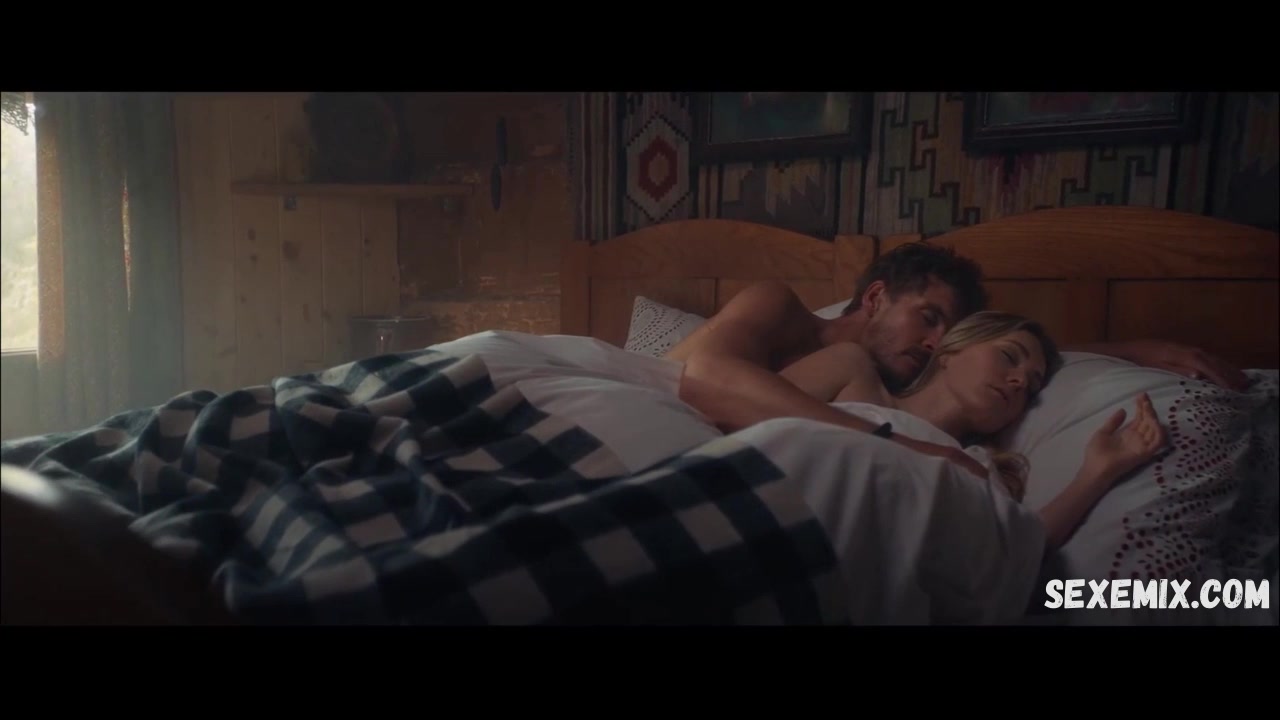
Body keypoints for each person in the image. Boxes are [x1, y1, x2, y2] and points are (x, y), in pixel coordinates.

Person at [665, 240, 1245, 476]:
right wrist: (897, 445)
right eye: (928, 317)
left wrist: (1136, 349)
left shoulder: (887, 376)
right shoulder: (780, 307)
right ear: (875, 297)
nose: (934, 342)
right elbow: (706, 379)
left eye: (948, 333)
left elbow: (1000, 351)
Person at [811, 310, 1167, 551]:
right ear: (951, 350)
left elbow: (1014, 553)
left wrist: (1098, 472)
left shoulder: (977, 468)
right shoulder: (853, 371)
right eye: (1009, 356)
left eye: (1031, 386)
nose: (1019, 381)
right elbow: (772, 413)